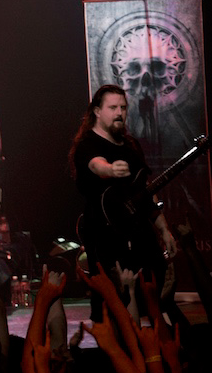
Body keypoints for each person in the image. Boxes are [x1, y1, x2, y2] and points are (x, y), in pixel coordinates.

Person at [70, 84, 177, 320]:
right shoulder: (88, 144)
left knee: (154, 292)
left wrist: (164, 230)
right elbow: (95, 164)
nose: (119, 113)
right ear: (97, 111)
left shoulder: (131, 146)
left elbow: (146, 191)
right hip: (105, 237)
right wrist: (110, 169)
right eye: (113, 108)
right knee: (112, 304)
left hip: (139, 233)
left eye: (123, 108)